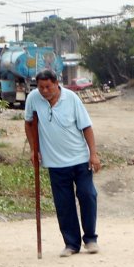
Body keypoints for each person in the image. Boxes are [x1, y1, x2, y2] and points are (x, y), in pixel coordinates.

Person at [24, 69, 102, 257]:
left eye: (48, 87)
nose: (44, 91)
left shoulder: (72, 99)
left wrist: (93, 154)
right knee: (63, 204)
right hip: (55, 163)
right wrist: (34, 149)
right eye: (41, 87)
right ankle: (71, 243)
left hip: (80, 159)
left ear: (56, 83)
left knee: (87, 195)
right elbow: (28, 123)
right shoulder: (33, 99)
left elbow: (87, 127)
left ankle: (90, 239)